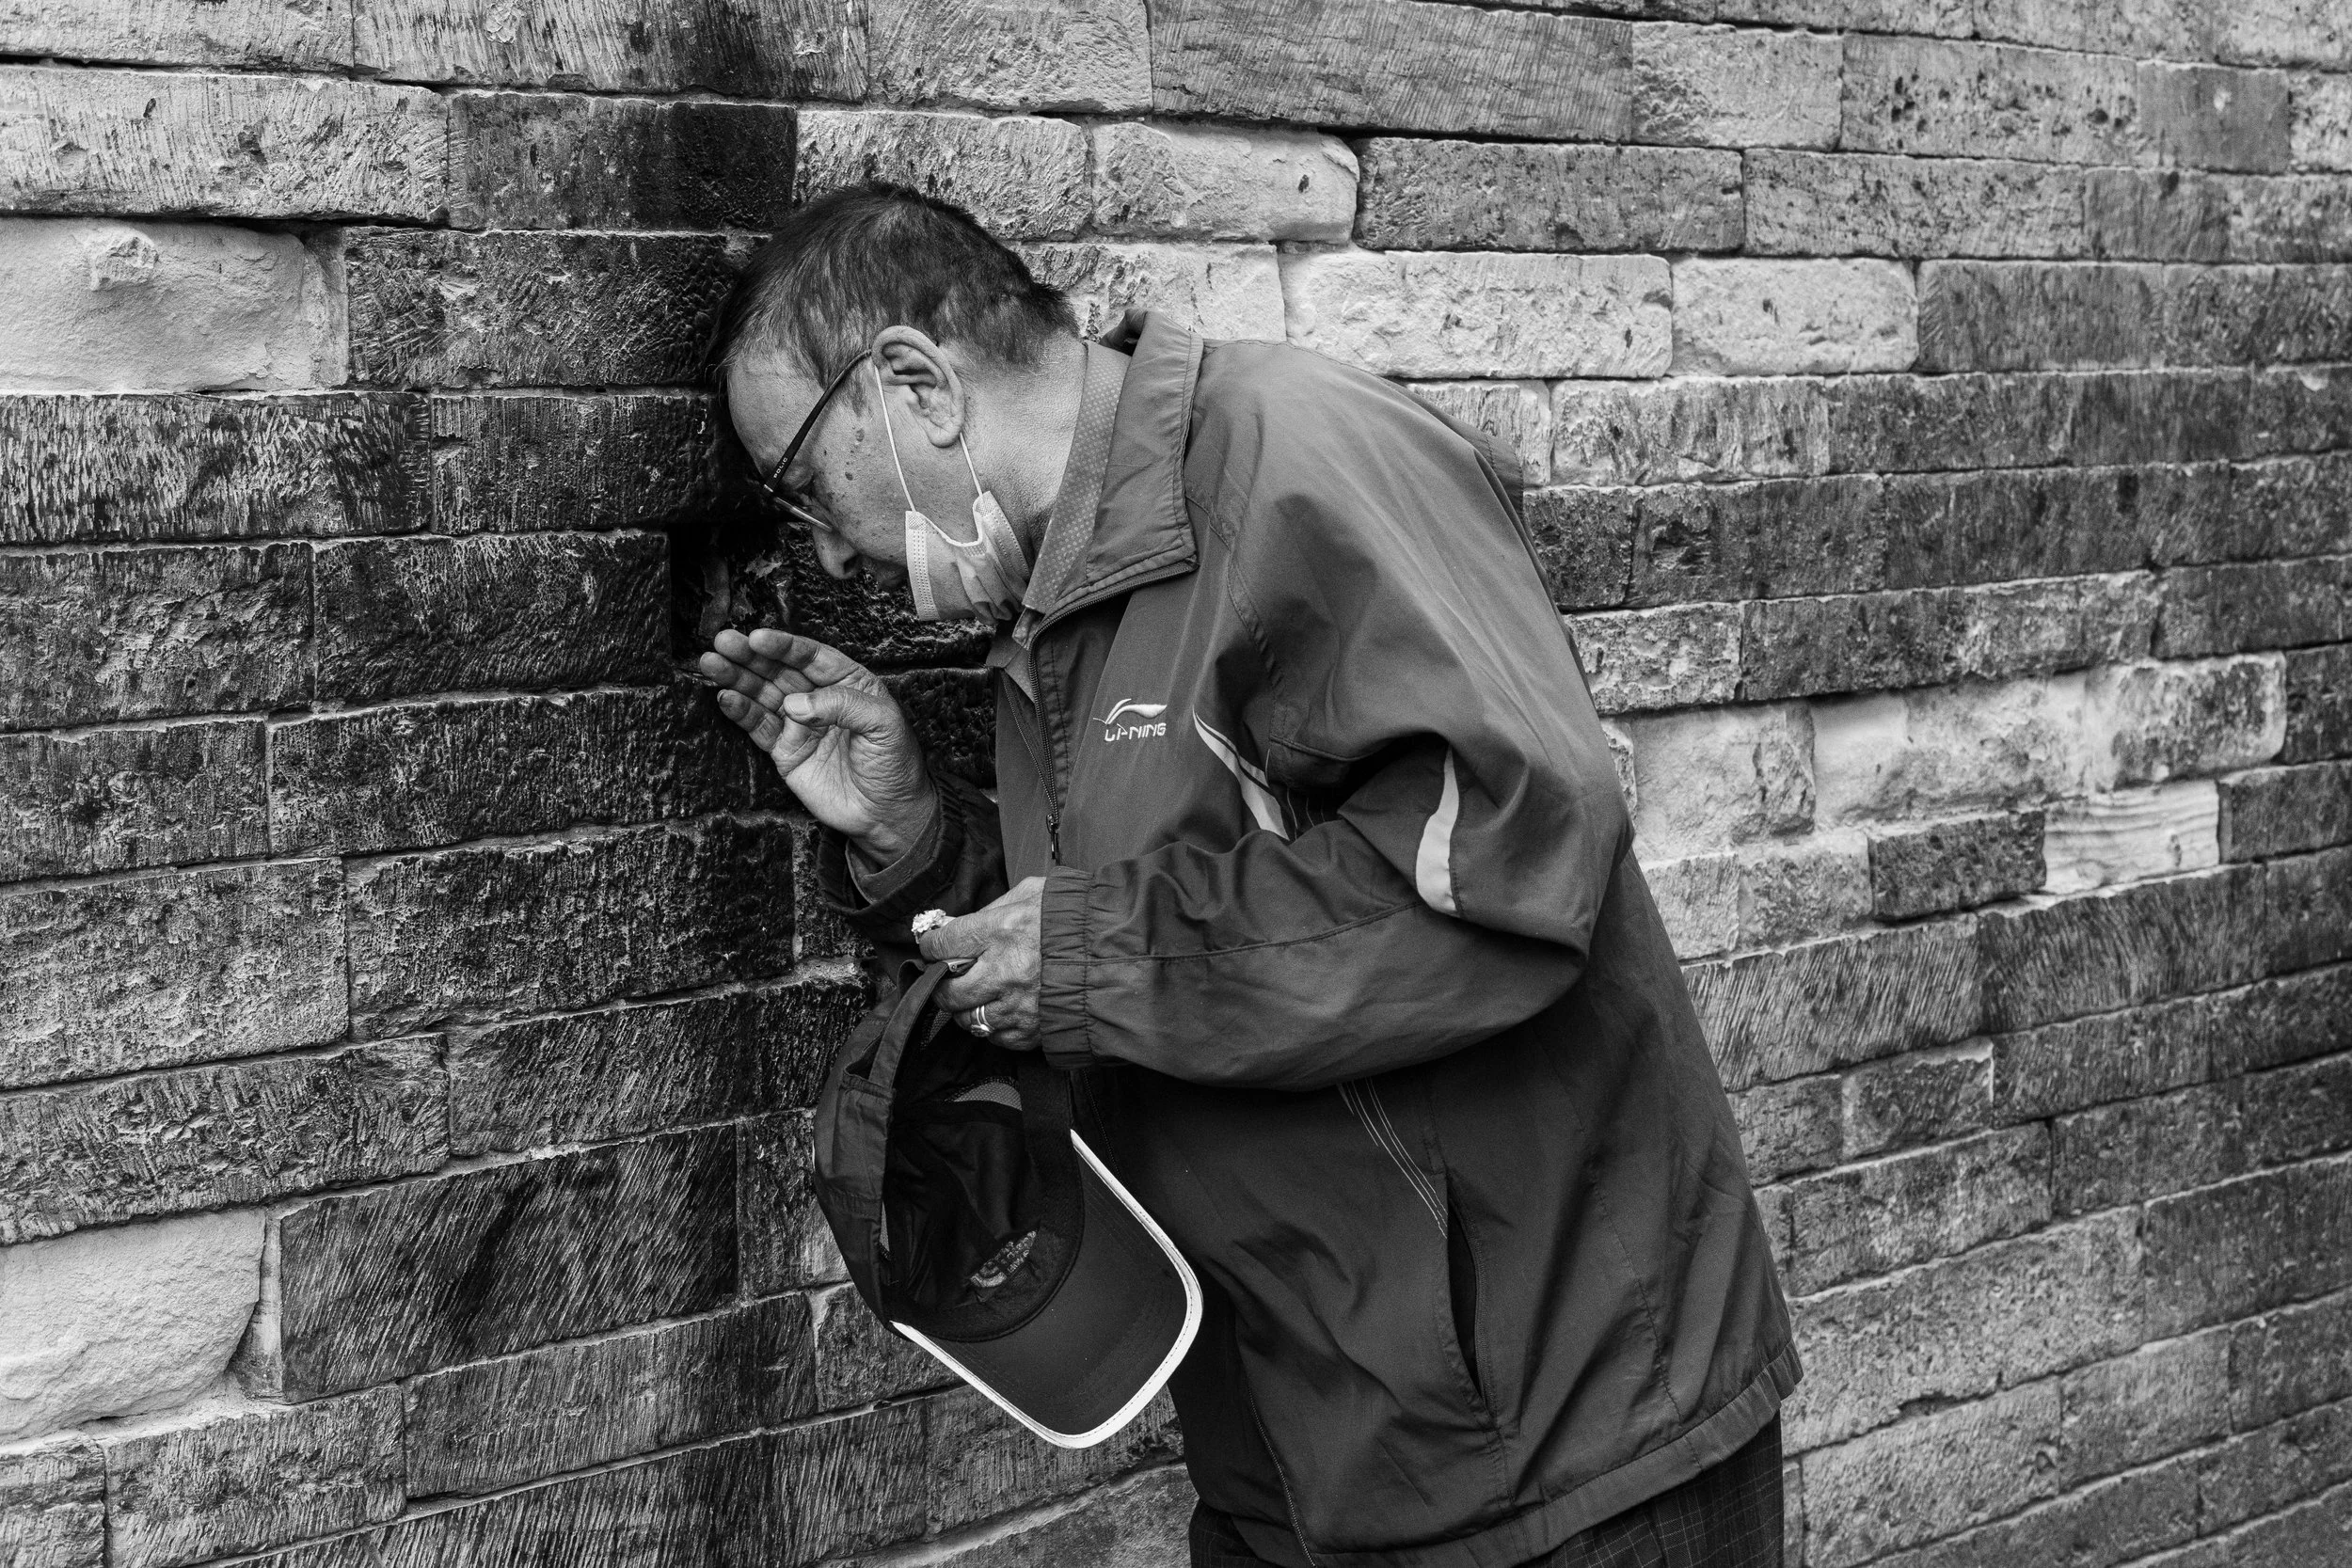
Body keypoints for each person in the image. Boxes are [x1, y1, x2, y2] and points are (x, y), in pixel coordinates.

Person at [700, 182, 1799, 1568]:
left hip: (1561, 1449)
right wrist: (913, 826)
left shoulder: (1292, 462)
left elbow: (1512, 871)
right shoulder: (1061, 594)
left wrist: (1089, 957)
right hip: (1299, 1447)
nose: (819, 547)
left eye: (804, 485)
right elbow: (1174, 914)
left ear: (915, 383)